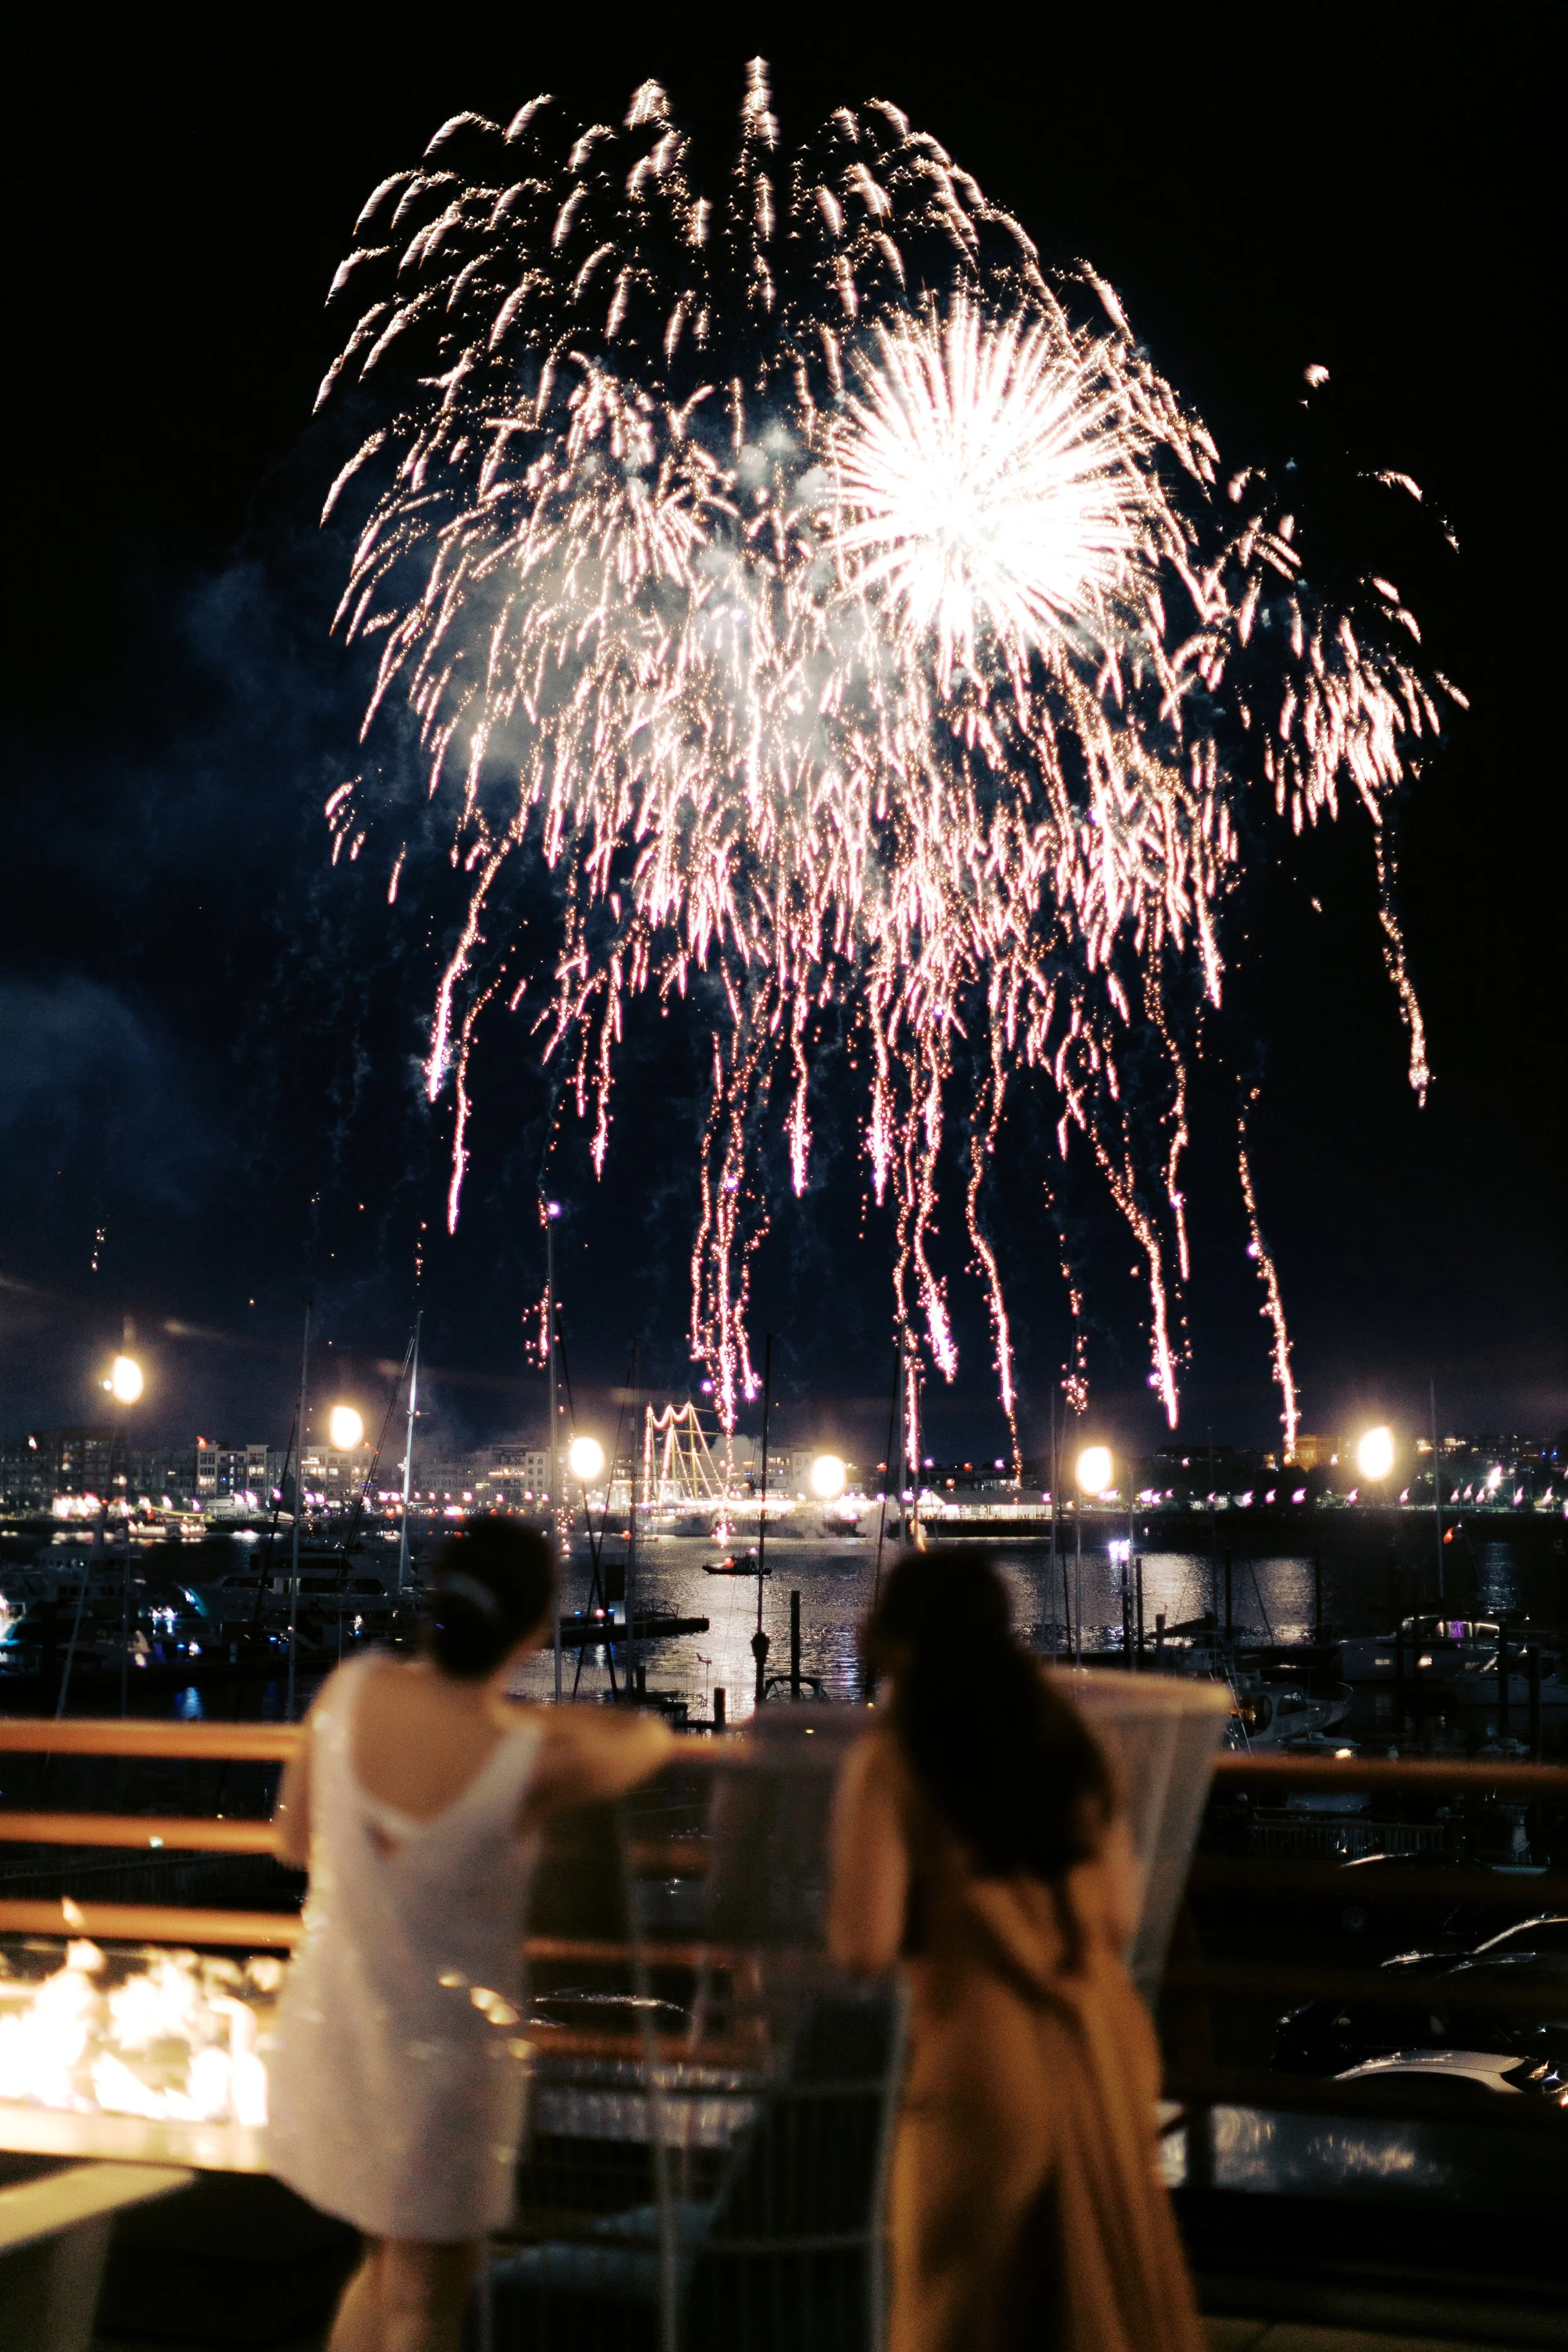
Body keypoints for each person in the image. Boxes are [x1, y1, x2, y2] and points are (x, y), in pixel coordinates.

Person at [268, 1515, 672, 2352]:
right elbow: (644, 1738)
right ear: (531, 1630)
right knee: (425, 2302)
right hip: (443, 2067)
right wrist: (535, 1719)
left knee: (381, 2272)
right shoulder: (518, 1760)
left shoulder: (347, 1693)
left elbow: (291, 1840)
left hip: (333, 2037)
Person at [827, 1550, 1204, 2352]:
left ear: (898, 1642)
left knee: (954, 2311)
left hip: (980, 2057)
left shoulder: (896, 1759)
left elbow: (861, 1942)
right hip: (1102, 2040)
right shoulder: (1070, 1745)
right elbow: (1117, 1913)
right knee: (1082, 2304)